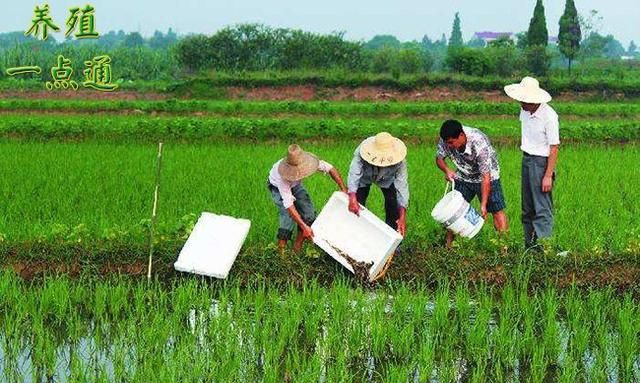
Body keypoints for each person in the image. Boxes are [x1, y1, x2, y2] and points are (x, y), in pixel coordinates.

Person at [504, 76, 560, 250]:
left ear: (535, 100)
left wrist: (548, 175)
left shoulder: (549, 116)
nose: (522, 103)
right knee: (527, 208)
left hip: (541, 163)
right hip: (527, 159)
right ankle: (530, 248)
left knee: (542, 209)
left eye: (525, 100)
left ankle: (545, 249)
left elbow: (554, 147)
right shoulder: (524, 110)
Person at [436, 120, 508, 248]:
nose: (449, 146)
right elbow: (439, 158)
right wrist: (447, 170)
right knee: (453, 209)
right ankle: (448, 248)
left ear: (461, 136)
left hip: (488, 177)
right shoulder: (446, 139)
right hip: (463, 175)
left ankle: (504, 248)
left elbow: (485, 177)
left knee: (496, 210)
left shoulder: (478, 142)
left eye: (451, 143)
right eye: (447, 143)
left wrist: (483, 205)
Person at [267, 144, 347, 252]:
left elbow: (330, 168)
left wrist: (343, 189)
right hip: (277, 188)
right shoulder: (282, 176)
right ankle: (282, 253)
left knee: (309, 214)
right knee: (287, 218)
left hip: (295, 185)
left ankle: (297, 247)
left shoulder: (308, 162)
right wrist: (304, 226)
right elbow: (289, 205)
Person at [347, 132, 409, 237]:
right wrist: (352, 196)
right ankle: (355, 235)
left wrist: (402, 216)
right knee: (356, 205)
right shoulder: (362, 151)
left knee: (393, 208)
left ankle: (391, 240)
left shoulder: (399, 161)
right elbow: (354, 172)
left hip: (387, 179)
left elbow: (402, 185)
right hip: (364, 176)